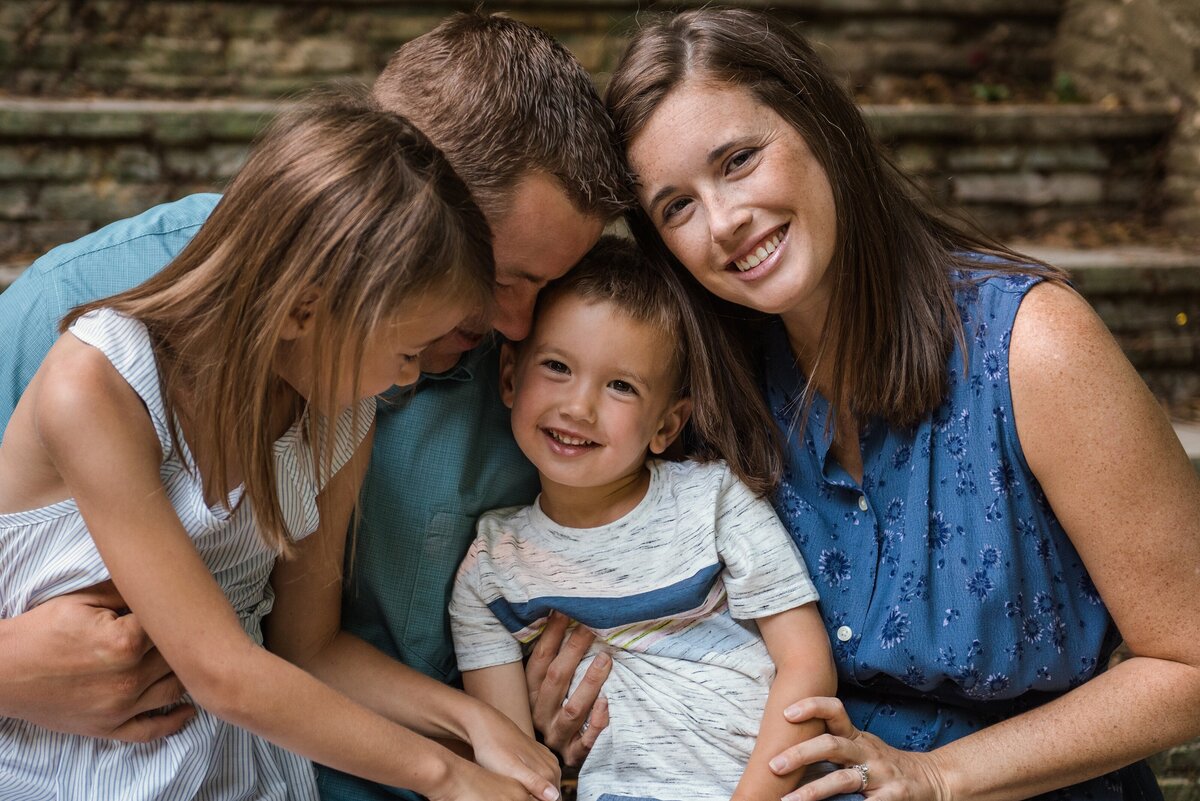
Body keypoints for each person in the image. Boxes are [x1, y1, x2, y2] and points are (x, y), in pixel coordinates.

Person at [0, 12, 626, 801]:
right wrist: (449, 777)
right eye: (501, 278)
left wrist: (477, 725)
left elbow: (306, 645)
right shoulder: (87, 358)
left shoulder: (337, 405)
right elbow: (225, 671)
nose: (519, 329)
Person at [598, 8, 1200, 801]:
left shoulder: (1032, 347)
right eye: (676, 206)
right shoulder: (715, 388)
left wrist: (941, 775)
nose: (723, 222)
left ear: (823, 126)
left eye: (739, 160)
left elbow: (1188, 661)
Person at [450, 237, 848, 801]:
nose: (578, 407)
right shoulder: (491, 570)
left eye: (621, 386)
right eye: (557, 367)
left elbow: (806, 666)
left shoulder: (712, 502)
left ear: (667, 425)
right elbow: (510, 761)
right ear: (510, 378)